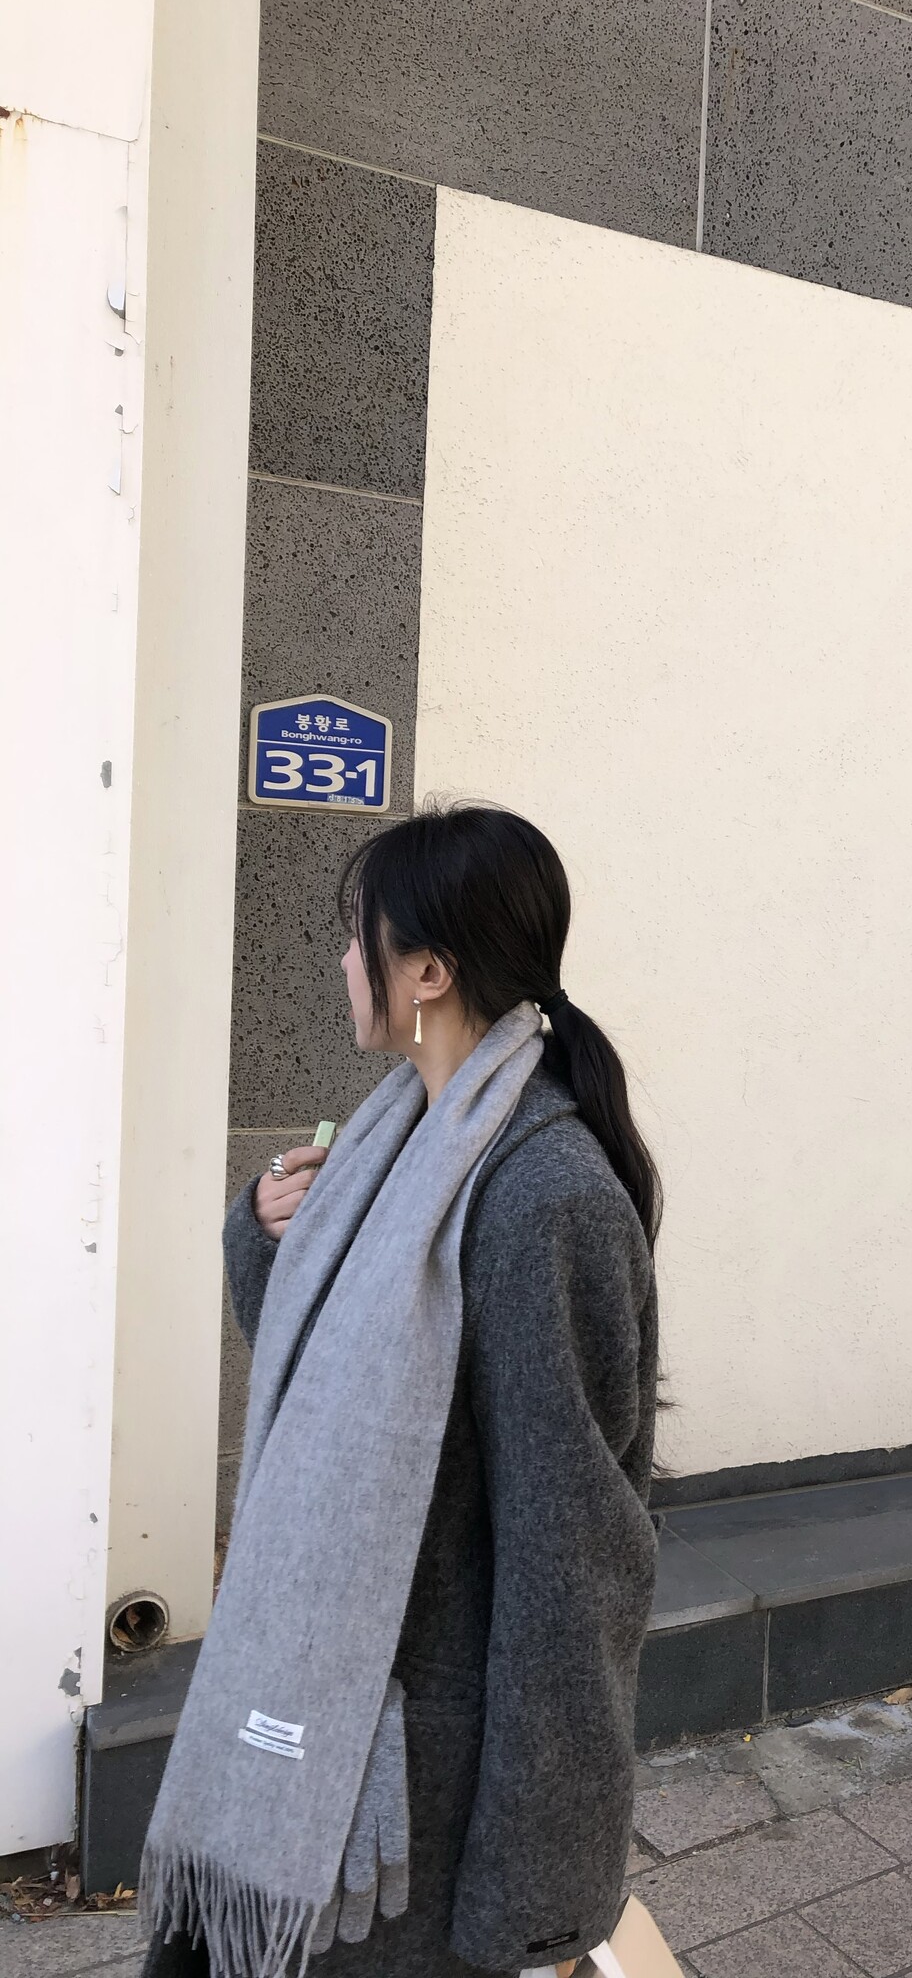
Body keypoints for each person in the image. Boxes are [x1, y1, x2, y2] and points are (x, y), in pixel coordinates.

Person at [140, 804, 661, 1978]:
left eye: (357, 934)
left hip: (410, 1790)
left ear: (428, 970)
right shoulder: (401, 1143)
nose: (341, 961)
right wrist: (268, 1229)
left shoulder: (542, 1195)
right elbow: (325, 1386)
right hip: (311, 1717)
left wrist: (537, 1884)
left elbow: (572, 1561)